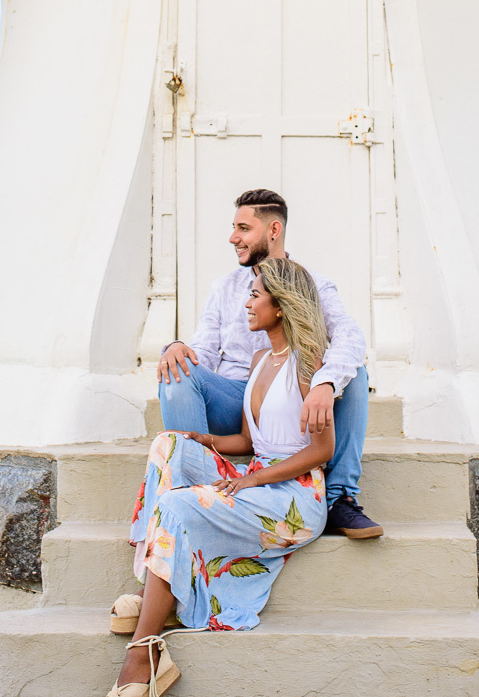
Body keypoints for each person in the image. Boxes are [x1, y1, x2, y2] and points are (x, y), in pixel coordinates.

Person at [104, 258, 334, 697]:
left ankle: (146, 649)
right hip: (256, 470)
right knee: (168, 446)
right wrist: (203, 441)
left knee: (177, 504)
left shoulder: (309, 363)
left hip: (294, 497)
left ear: (281, 304)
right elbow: (249, 444)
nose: (247, 303)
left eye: (255, 296)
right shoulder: (258, 361)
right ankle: (157, 583)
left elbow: (321, 450)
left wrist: (252, 481)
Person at [157, 188, 382, 539]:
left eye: (243, 229)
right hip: (234, 400)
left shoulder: (313, 285)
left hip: (291, 404)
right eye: (234, 228)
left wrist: (325, 383)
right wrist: (175, 346)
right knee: (177, 369)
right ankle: (197, 492)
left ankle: (339, 499)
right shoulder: (225, 288)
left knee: (354, 375)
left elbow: (351, 340)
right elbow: (202, 351)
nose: (234, 238)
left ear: (273, 230)